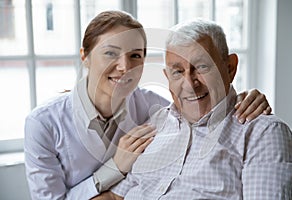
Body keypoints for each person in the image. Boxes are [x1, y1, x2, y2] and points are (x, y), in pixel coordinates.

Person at [24, 11, 272, 200]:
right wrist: (115, 167)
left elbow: (200, 111)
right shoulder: (43, 124)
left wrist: (241, 97)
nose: (124, 67)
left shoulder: (152, 107)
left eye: (135, 55)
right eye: (110, 53)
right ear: (85, 57)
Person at [97, 18, 292, 199]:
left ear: (230, 68)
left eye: (202, 67)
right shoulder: (155, 124)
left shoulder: (263, 133)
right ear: (167, 78)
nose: (190, 84)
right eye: (177, 71)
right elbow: (114, 197)